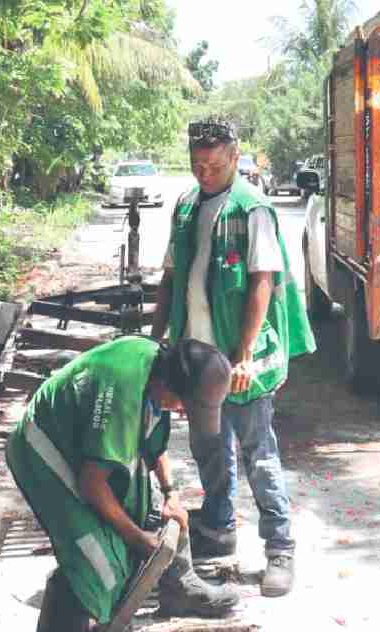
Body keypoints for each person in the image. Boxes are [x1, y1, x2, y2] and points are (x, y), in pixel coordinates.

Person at [6, 336, 241, 632]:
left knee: (149, 509)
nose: (182, 410)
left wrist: (171, 494)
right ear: (169, 385)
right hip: (47, 451)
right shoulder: (120, 391)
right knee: (92, 559)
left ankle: (179, 589)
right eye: (183, 402)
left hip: (85, 450)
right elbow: (92, 484)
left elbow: (154, 441)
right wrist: (138, 539)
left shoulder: (157, 370)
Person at [151, 117, 317, 598]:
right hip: (197, 362)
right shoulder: (185, 207)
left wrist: (244, 355)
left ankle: (280, 549)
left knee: (257, 456)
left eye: (215, 164)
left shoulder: (253, 209)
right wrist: (156, 337)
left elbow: (262, 282)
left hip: (240, 365)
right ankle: (219, 529)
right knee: (209, 450)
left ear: (235, 157)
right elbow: (169, 278)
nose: (204, 173)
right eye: (197, 164)